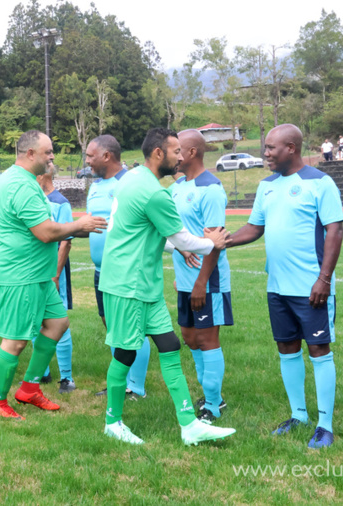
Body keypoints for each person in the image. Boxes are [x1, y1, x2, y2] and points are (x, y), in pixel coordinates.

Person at [99, 127, 236, 446]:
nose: (179, 156)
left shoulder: (133, 178)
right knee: (125, 353)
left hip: (144, 286)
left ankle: (190, 425)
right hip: (127, 285)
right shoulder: (154, 192)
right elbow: (181, 236)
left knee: (170, 345)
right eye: (175, 151)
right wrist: (208, 242)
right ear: (158, 153)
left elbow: (148, 231)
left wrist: (181, 248)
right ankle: (112, 422)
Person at [227, 124, 343, 448]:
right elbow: (254, 228)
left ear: (291, 148)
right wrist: (220, 241)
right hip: (277, 287)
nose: (265, 153)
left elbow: (334, 231)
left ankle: (325, 425)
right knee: (287, 348)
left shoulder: (320, 183)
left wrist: (323, 279)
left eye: (271, 148)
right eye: (265, 148)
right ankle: (299, 415)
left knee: (319, 350)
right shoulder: (267, 186)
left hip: (312, 288)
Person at [0, 131, 108, 420]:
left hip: (37, 273)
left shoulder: (18, 180)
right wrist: (79, 224)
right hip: (21, 274)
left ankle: (28, 389)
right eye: (48, 152)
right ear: (30, 154)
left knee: (57, 323)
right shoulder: (20, 185)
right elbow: (44, 232)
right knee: (15, 340)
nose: (53, 156)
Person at [170, 130, 234, 422]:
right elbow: (180, 234)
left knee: (207, 339)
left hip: (207, 281)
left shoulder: (211, 190)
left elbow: (215, 243)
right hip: (185, 280)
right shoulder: (179, 186)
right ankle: (211, 396)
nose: (173, 154)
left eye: (177, 149)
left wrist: (200, 282)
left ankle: (213, 403)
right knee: (190, 338)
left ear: (192, 152)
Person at [85, 135, 152, 400]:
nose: (87, 161)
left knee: (132, 328)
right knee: (112, 327)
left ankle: (136, 387)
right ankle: (122, 382)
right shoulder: (95, 187)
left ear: (106, 156)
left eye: (90, 155)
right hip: (101, 271)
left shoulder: (131, 183)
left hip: (126, 270)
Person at [35, 163, 76, 393]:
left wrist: (56, 273)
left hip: (53, 271)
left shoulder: (60, 203)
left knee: (58, 320)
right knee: (36, 319)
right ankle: (43, 372)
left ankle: (67, 378)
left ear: (43, 176)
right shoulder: (34, 200)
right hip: (36, 269)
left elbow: (66, 241)